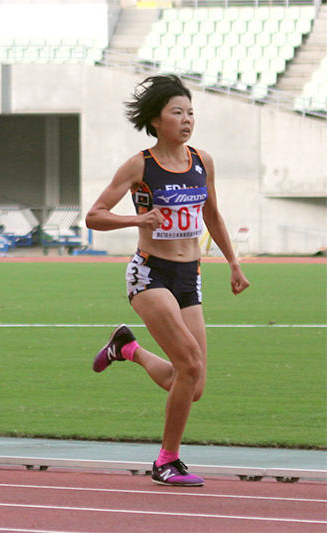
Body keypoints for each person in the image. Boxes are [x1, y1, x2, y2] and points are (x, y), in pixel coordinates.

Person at [85, 74, 250, 487]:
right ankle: (166, 461)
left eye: (191, 112)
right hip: (149, 273)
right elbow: (94, 216)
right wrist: (137, 219)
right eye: (177, 112)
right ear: (156, 120)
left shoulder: (202, 161)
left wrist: (233, 262)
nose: (187, 119)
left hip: (189, 275)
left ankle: (128, 349)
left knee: (193, 383)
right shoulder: (140, 165)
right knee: (189, 363)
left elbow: (212, 215)